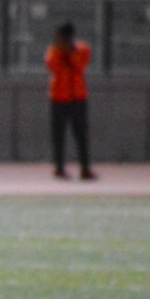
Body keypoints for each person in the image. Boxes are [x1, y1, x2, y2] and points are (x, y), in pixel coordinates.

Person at [45, 22, 96, 180]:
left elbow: (80, 67)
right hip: (59, 98)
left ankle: (85, 168)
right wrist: (60, 51)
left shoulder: (82, 48)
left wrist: (71, 52)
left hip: (78, 98)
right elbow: (52, 67)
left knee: (81, 135)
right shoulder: (54, 50)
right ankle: (59, 168)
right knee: (58, 135)